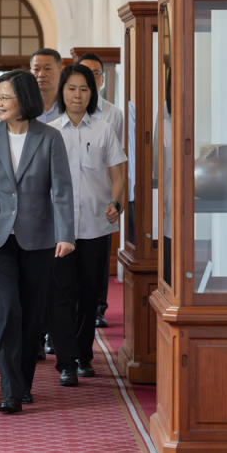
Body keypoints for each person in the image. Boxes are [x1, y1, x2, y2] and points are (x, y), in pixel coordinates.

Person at [0, 70, 74, 413]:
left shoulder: (50, 137)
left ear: (23, 99)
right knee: (7, 309)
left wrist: (65, 234)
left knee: (32, 316)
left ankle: (23, 382)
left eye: (4, 97)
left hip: (38, 236)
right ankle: (9, 390)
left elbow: (62, 190)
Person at [48, 65, 126, 384]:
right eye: (71, 89)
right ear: (62, 92)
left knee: (89, 294)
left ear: (92, 93)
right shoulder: (51, 131)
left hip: (96, 225)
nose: (77, 95)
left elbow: (118, 175)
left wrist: (116, 203)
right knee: (61, 294)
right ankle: (65, 361)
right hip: (60, 229)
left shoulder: (104, 129)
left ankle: (84, 354)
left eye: (83, 89)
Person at [78, 52, 126, 328]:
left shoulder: (112, 114)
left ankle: (98, 307)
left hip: (101, 195)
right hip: (71, 199)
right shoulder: (64, 112)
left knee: (98, 258)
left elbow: (117, 160)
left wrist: (116, 199)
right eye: (84, 73)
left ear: (103, 79)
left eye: (95, 74)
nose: (90, 79)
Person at [30, 48, 64, 125]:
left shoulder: (71, 105)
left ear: (60, 71)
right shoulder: (22, 107)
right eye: (36, 69)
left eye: (47, 69)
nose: (41, 74)